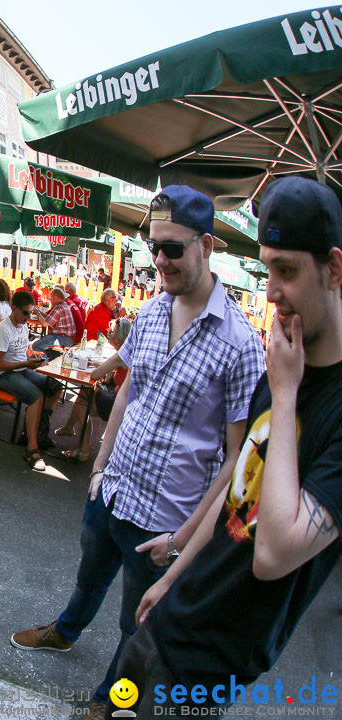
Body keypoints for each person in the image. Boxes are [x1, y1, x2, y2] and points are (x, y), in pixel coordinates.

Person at [9, 185, 265, 720]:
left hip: (165, 521)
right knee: (89, 575)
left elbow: (239, 459)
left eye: (173, 248)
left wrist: (187, 534)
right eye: (154, 247)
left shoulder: (242, 343)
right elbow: (128, 388)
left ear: (208, 244)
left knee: (137, 624)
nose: (160, 260)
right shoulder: (150, 312)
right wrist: (99, 467)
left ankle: (110, 700)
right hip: (114, 489)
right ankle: (66, 631)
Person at [111, 176, 342, 716]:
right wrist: (172, 576)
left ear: (334, 269)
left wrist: (284, 398)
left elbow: (274, 553)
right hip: (171, 618)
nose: (271, 292)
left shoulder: (294, 381)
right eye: (267, 270)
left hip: (212, 658)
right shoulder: (288, 361)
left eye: (287, 271)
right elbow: (240, 484)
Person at [0, 290, 62, 471]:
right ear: (14, 309)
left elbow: (22, 353)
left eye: (31, 312)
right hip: (2, 376)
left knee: (55, 386)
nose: (29, 317)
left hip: (20, 369)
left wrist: (33, 357)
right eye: (26, 312)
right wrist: (26, 363)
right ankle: (32, 447)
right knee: (36, 396)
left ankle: (39, 431)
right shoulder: (3, 330)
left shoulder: (23, 326)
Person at [56, 317, 132, 461]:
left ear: (120, 335)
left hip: (119, 405)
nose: (108, 332)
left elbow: (95, 375)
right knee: (85, 393)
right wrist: (102, 366)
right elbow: (111, 367)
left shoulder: (121, 355)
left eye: (112, 331)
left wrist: (100, 368)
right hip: (125, 402)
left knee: (83, 401)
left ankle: (83, 450)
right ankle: (68, 427)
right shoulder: (128, 352)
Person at [31, 286, 77, 355]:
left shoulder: (58, 308)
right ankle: (51, 357)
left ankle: (44, 362)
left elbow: (45, 324)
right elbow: (50, 318)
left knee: (35, 346)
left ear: (56, 298)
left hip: (62, 338)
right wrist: (40, 312)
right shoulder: (64, 305)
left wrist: (38, 313)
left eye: (51, 298)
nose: (50, 301)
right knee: (45, 343)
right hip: (68, 338)